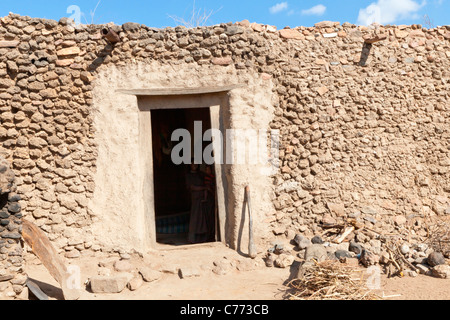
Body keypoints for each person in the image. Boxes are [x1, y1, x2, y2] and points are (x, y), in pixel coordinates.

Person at [185, 162, 208, 244]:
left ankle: (203, 238)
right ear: (190, 165)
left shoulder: (201, 174)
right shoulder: (188, 175)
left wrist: (205, 195)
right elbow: (192, 187)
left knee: (203, 219)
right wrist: (204, 188)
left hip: (203, 199)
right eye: (192, 164)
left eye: (196, 164)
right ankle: (192, 238)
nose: (194, 165)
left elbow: (207, 182)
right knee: (195, 218)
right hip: (195, 199)